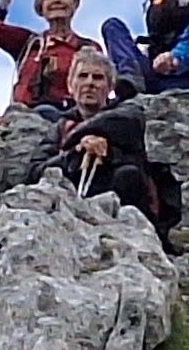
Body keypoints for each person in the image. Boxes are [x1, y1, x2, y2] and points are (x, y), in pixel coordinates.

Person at [41, 50, 178, 238]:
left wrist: (85, 137)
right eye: (83, 76)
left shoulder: (127, 114)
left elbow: (129, 125)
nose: (90, 83)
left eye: (98, 78)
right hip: (71, 211)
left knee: (128, 175)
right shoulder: (59, 129)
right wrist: (76, 152)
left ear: (109, 87)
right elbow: (36, 171)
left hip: (125, 211)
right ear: (70, 86)